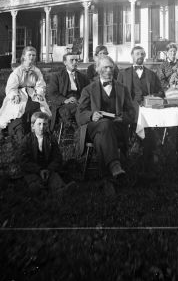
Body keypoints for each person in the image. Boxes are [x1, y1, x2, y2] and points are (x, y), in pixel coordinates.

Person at [76, 56, 135, 184]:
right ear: (97, 69)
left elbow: (132, 113)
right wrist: (91, 115)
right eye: (105, 67)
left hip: (116, 128)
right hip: (94, 127)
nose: (108, 70)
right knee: (104, 125)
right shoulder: (88, 89)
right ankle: (115, 166)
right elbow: (80, 114)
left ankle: (106, 178)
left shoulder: (122, 89)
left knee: (103, 134)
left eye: (110, 67)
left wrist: (122, 117)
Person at [118, 45, 165, 171]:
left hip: (148, 105)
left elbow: (161, 92)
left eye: (142, 54)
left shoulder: (151, 74)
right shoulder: (123, 73)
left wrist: (153, 97)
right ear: (132, 56)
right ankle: (147, 144)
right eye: (137, 54)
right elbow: (118, 94)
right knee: (140, 111)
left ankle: (144, 145)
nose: (140, 56)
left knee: (148, 112)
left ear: (144, 56)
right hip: (129, 106)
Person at [0, 46, 51, 139]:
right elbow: (11, 86)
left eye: (34, 55)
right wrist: (14, 95)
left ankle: (38, 130)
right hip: (20, 93)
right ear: (24, 57)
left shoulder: (37, 71)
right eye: (29, 55)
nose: (32, 57)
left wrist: (39, 93)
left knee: (41, 108)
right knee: (17, 109)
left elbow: (41, 84)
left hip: (32, 93)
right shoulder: (17, 71)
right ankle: (16, 129)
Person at [19, 112, 72, 195]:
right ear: (33, 126)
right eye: (39, 124)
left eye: (44, 124)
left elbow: (57, 157)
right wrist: (38, 170)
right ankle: (42, 191)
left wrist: (49, 169)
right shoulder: (27, 140)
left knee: (54, 178)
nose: (42, 127)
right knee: (34, 183)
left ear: (47, 126)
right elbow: (24, 160)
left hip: (48, 169)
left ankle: (60, 190)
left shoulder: (51, 139)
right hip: (33, 170)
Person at [47, 52, 89, 131]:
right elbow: (52, 93)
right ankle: (78, 131)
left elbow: (87, 92)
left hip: (79, 102)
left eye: (76, 60)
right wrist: (65, 100)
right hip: (63, 104)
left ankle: (82, 132)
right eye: (72, 60)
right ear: (65, 62)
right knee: (75, 110)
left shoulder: (83, 77)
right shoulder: (57, 76)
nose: (75, 62)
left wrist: (81, 101)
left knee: (84, 110)